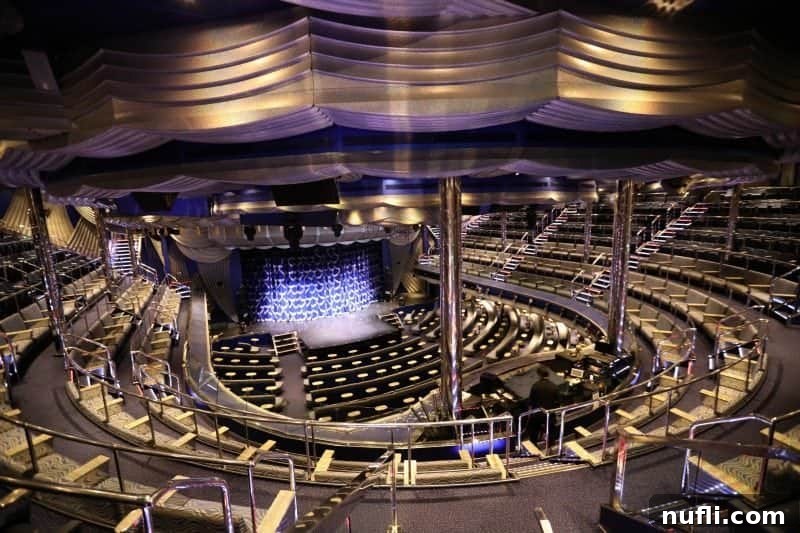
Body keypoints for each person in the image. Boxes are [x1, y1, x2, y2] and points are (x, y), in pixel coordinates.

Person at [526, 366, 560, 443]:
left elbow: (531, 401)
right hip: (549, 414)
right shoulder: (554, 386)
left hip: (537, 413)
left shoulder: (535, 386)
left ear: (539, 375)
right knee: (551, 432)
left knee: (534, 432)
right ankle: (551, 446)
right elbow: (558, 402)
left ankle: (534, 446)